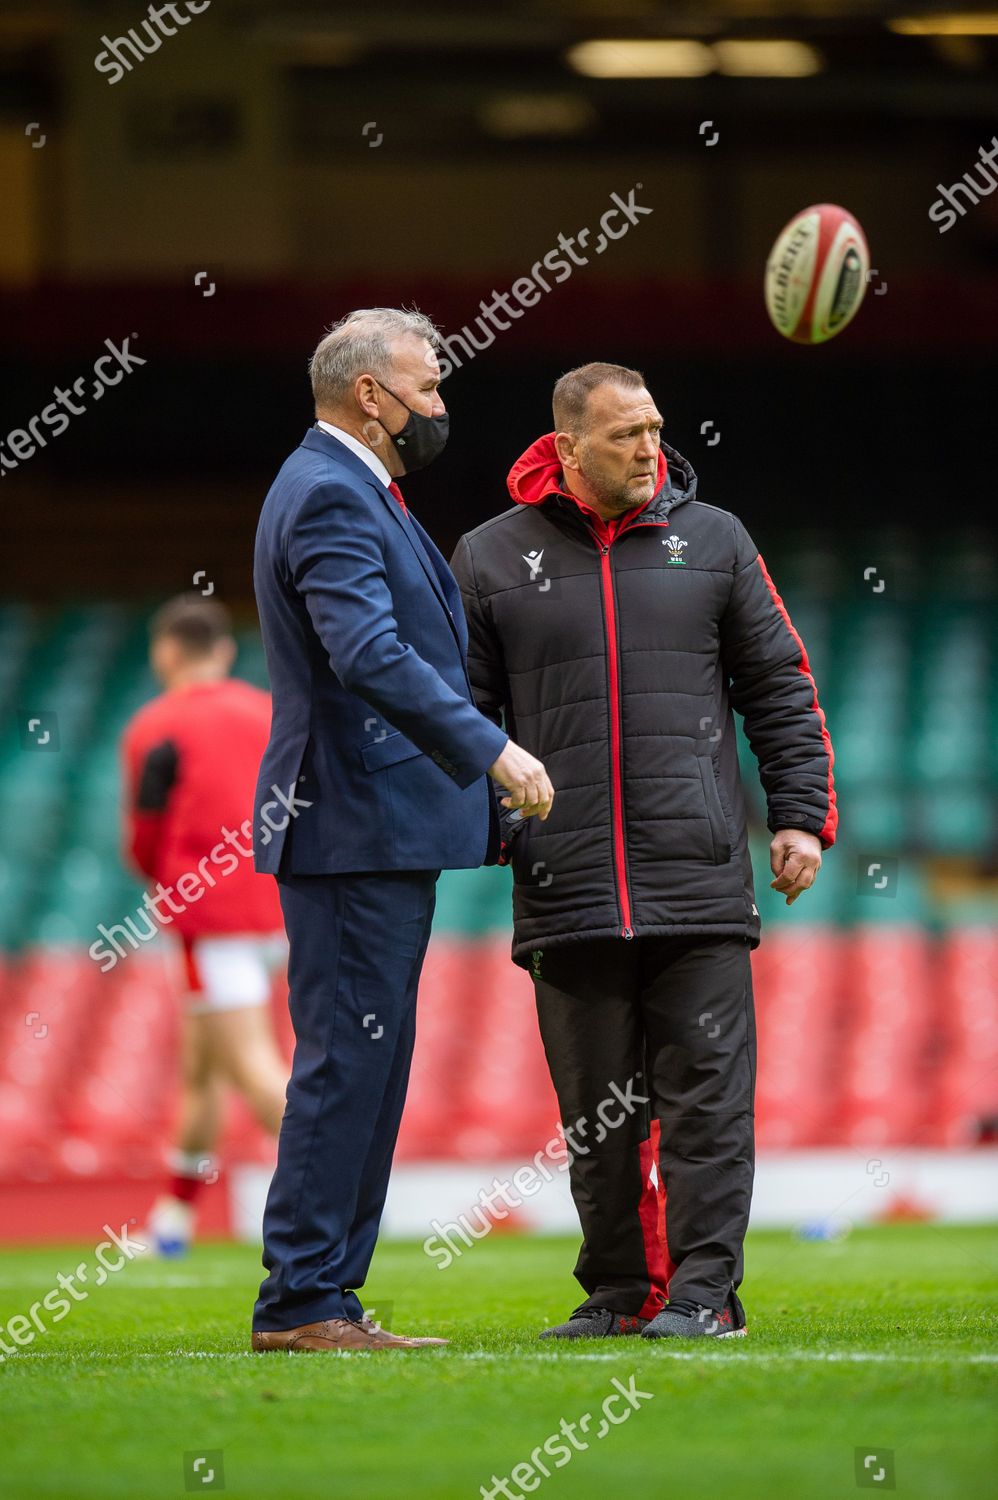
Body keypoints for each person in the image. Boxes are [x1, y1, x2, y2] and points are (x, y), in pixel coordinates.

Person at [451, 362, 836, 1340]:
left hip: (697, 877)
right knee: (597, 1120)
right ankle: (620, 1293)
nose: (646, 447)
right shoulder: (490, 557)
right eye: (623, 432)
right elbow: (460, 717)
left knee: (706, 1106)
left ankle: (706, 1296)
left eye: (654, 427)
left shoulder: (714, 542)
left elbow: (778, 683)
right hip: (566, 882)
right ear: (566, 447)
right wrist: (499, 830)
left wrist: (797, 816)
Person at [250, 307, 553, 1354]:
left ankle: (326, 1295)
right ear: (369, 395)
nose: (438, 408)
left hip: (366, 825)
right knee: (346, 1066)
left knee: (364, 1067)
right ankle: (301, 1301)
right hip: (350, 821)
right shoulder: (331, 492)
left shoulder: (349, 487)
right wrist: (490, 751)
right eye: (425, 389)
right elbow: (367, 653)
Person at [121, 594, 289, 1257]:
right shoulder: (267, 710)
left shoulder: (154, 724)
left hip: (208, 915)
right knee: (203, 1067)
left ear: (165, 651)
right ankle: (174, 1220)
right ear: (223, 650)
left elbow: (143, 836)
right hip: (277, 906)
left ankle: (343, 1194)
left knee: (249, 1064)